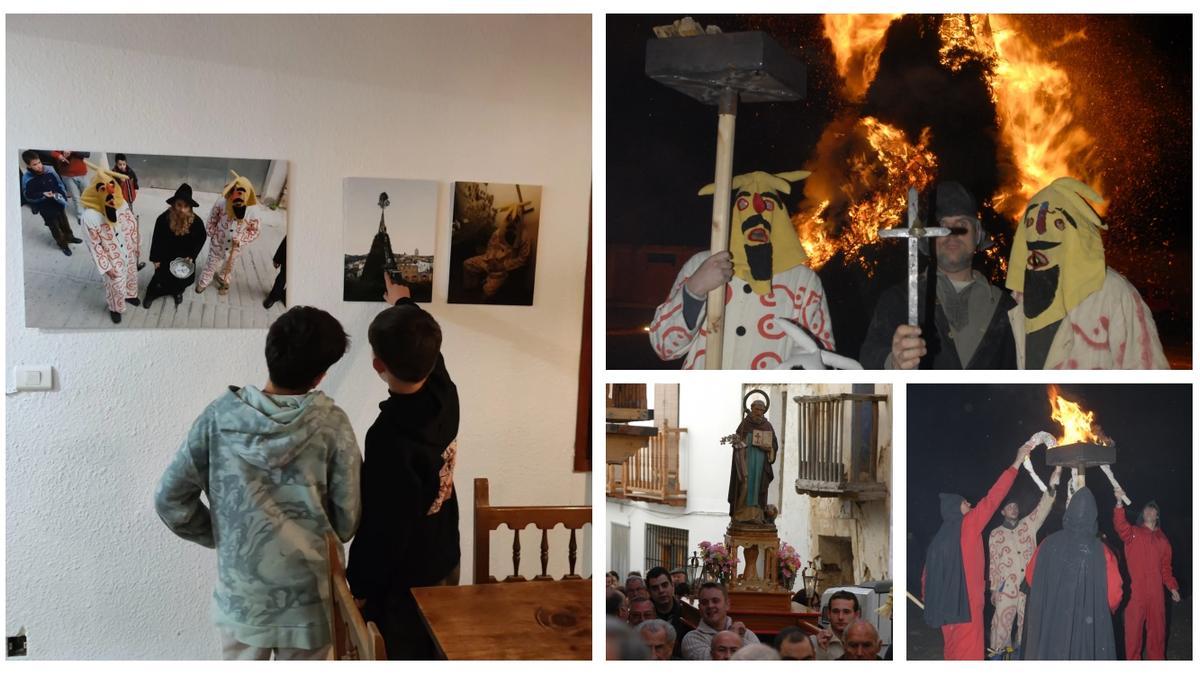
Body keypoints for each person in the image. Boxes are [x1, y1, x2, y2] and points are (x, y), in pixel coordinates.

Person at [154, 306, 360, 660]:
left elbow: (169, 500)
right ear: (320, 376)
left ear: (270, 352)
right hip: (310, 600)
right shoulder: (332, 425)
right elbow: (346, 521)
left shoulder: (218, 418)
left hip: (244, 596)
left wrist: (227, 536)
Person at [347, 273, 460, 659]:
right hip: (445, 554)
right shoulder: (445, 393)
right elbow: (431, 350)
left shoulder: (387, 437)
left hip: (405, 582)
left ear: (377, 363)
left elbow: (384, 528)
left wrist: (358, 585)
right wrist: (403, 304)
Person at [648, 170, 835, 370]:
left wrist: (804, 361)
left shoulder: (803, 282)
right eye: (744, 205)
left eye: (768, 205)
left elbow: (821, 357)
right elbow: (664, 348)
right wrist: (694, 290)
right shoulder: (702, 264)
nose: (757, 214)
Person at [1005, 177, 1168, 368]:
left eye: (1058, 223)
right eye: (1030, 222)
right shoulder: (1018, 298)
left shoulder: (1113, 294)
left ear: (1078, 231)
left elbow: (1146, 371)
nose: (1039, 232)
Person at [861, 181, 1016, 369]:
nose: (951, 233)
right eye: (942, 224)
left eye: (962, 224)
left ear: (978, 235)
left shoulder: (1008, 309)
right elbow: (869, 362)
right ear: (929, 238)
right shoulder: (898, 300)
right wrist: (893, 364)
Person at [923, 440, 1033, 660]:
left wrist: (932, 604)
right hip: (966, 608)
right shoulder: (967, 525)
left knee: (952, 654)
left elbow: (926, 579)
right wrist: (1017, 462)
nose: (970, 505)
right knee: (970, 656)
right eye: (965, 503)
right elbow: (993, 499)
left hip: (945, 612)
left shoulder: (939, 539)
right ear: (955, 508)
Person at [1022, 487, 1122, 659]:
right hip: (1085, 625)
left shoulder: (1047, 544)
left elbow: (1031, 578)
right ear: (1093, 516)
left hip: (1052, 621)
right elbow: (1114, 595)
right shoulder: (1102, 551)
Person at [987, 467, 1062, 654]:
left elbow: (1042, 508)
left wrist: (1052, 486)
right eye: (1008, 507)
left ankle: (1022, 658)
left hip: (1028, 586)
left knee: (1026, 625)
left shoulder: (1028, 525)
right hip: (1006, 588)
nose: (1013, 509)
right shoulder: (995, 534)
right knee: (1000, 627)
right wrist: (994, 589)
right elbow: (994, 563)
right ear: (1003, 511)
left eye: (1015, 506)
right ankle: (999, 660)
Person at [1113, 490, 1180, 660]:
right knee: (1133, 637)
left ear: (1157, 515)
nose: (1149, 511)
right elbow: (1120, 526)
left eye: (1152, 509)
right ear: (1143, 514)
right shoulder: (1133, 533)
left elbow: (1166, 568)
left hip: (1156, 595)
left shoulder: (1163, 541)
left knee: (1157, 636)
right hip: (1135, 594)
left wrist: (1172, 587)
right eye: (1146, 509)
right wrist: (1119, 503)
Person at [78, 161, 142, 323]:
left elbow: (132, 224)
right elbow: (94, 245)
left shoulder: (122, 204)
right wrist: (106, 266)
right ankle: (116, 307)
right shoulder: (89, 217)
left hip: (129, 250)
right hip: (112, 257)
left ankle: (130, 295)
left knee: (131, 276)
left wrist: (136, 246)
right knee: (115, 286)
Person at [197, 170, 261, 296]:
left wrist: (242, 240)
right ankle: (206, 279)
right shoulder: (221, 202)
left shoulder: (253, 211)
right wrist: (211, 231)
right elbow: (213, 217)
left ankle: (223, 277)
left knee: (229, 264)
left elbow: (255, 230)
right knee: (212, 261)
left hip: (235, 246)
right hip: (218, 240)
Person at [144, 183, 207, 308]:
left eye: (186, 206)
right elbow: (156, 239)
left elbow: (201, 238)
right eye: (179, 205)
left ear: (190, 207)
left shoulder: (197, 222)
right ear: (174, 204)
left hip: (184, 257)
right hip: (165, 255)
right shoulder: (162, 219)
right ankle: (152, 294)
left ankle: (177, 292)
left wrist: (192, 255)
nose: (182, 209)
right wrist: (155, 258)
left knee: (180, 280)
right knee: (160, 278)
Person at [728, 397, 778, 524]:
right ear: (751, 409)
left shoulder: (767, 425)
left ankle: (757, 514)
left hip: (761, 461)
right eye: (757, 409)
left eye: (762, 410)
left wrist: (769, 448)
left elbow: (774, 444)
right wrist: (742, 442)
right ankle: (741, 513)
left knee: (758, 485)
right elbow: (737, 441)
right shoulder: (745, 424)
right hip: (747, 458)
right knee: (745, 483)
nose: (759, 412)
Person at [20, 150, 80, 255]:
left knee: (64, 222)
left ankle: (70, 237)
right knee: (55, 227)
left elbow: (59, 184)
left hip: (58, 203)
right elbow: (28, 195)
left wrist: (62, 196)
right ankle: (63, 244)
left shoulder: (49, 170)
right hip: (46, 209)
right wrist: (43, 194)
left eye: (39, 162)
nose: (39, 166)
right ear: (28, 166)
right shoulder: (27, 178)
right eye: (35, 164)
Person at [680, 582, 760, 660]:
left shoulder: (747, 634)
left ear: (727, 605)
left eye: (715, 601)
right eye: (704, 602)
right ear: (699, 608)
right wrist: (734, 636)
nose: (710, 606)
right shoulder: (692, 639)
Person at [646, 566, 691, 654]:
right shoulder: (643, 616)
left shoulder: (687, 615)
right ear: (649, 592)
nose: (661, 591)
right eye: (655, 588)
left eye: (664, 585)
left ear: (672, 586)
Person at [813, 590, 861, 659]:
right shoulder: (813, 643)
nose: (840, 617)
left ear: (856, 615)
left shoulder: (864, 642)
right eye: (836, 611)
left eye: (846, 612)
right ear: (829, 614)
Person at [49, 150, 90, 222]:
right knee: (76, 197)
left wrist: (71, 150)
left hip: (82, 173)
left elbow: (87, 154)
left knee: (87, 194)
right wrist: (59, 155)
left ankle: (90, 213)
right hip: (66, 175)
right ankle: (81, 216)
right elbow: (50, 151)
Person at [264, 237, 287, 309]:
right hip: (291, 257)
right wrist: (277, 259)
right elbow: (286, 242)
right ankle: (274, 296)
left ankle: (287, 296)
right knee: (283, 276)